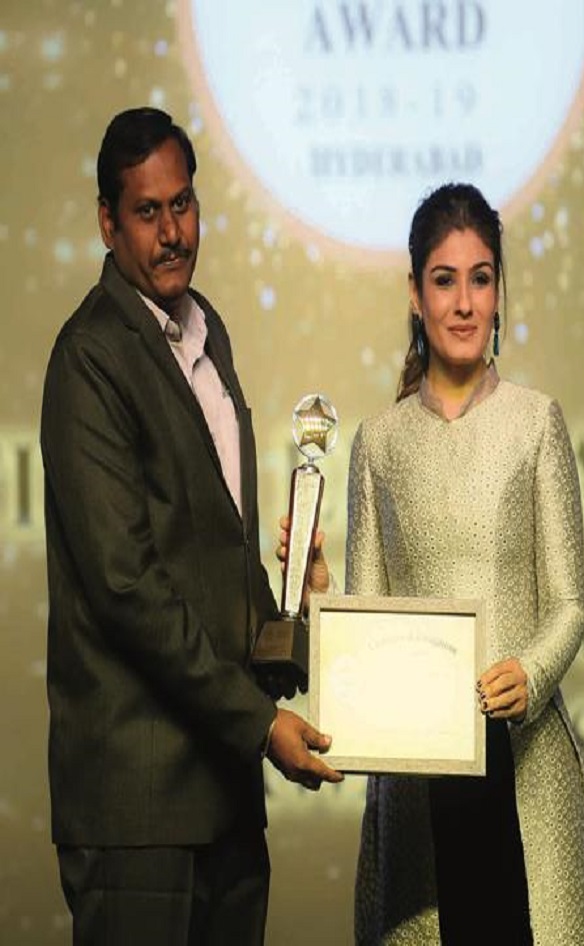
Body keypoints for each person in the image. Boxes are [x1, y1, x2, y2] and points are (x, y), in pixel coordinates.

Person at [40, 106, 342, 946]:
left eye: (183, 205)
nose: (172, 233)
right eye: (147, 211)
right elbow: (128, 587)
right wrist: (261, 725)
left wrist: (296, 612)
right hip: (139, 811)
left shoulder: (208, 334)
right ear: (108, 222)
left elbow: (215, 554)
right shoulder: (90, 358)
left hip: (225, 800)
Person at [334, 182, 584, 943]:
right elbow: (367, 626)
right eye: (444, 280)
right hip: (417, 789)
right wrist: (319, 604)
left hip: (525, 776)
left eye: (481, 278)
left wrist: (528, 673)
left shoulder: (536, 422)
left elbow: (569, 604)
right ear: (414, 294)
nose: (464, 303)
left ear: (500, 293)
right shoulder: (378, 444)